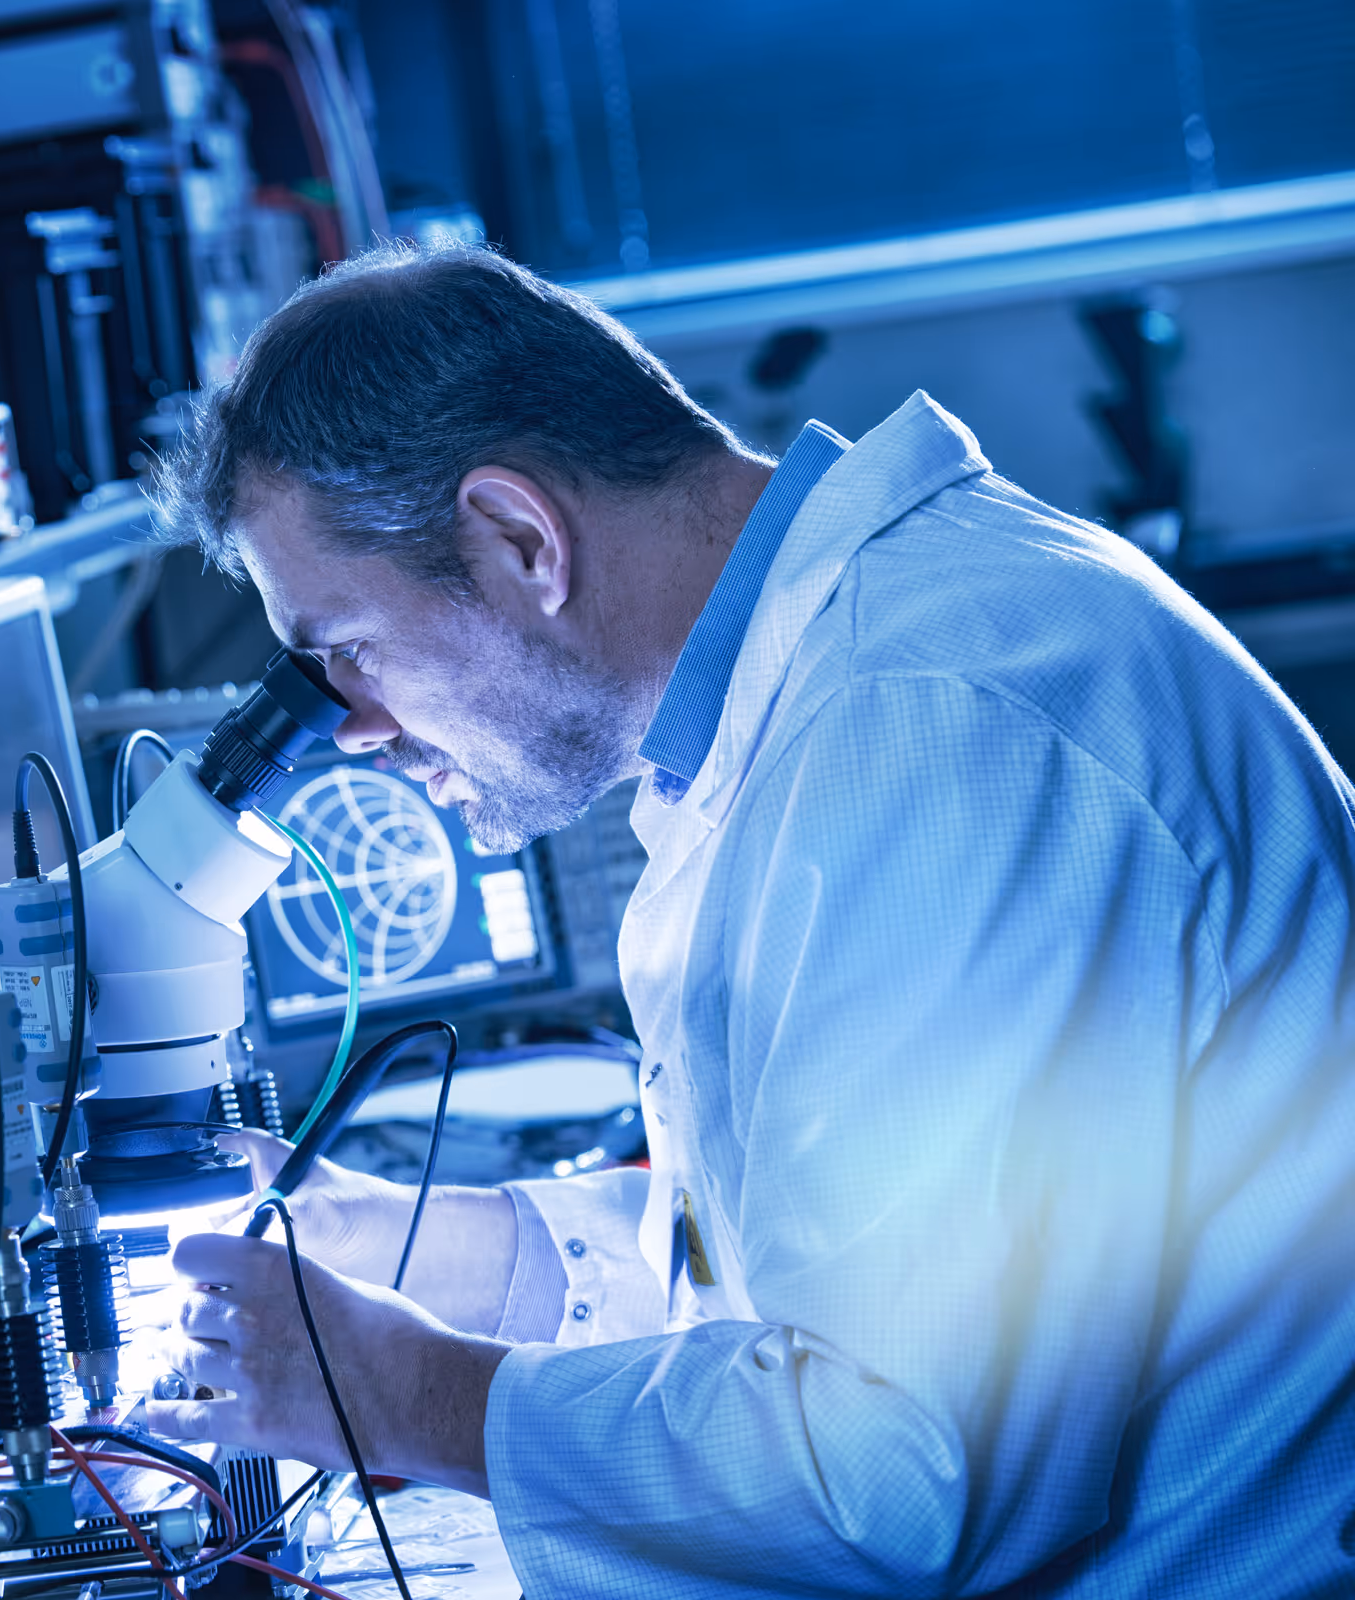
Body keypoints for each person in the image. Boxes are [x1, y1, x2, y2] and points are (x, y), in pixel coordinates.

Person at [139, 241, 1355, 1595]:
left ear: (519, 539)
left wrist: (410, 1396)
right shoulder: (850, 672)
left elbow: (904, 1473)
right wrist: (451, 1252)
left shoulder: (922, 734)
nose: (351, 729)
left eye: (343, 650)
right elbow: (841, 1247)